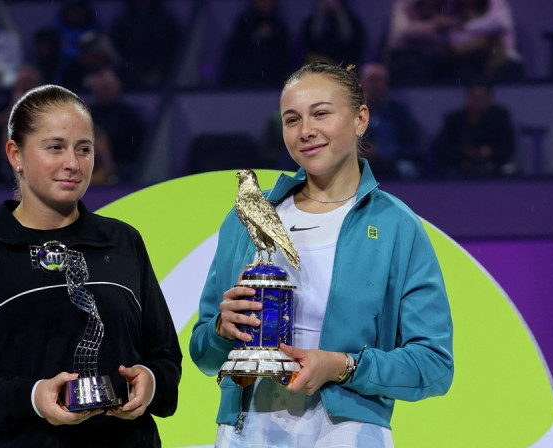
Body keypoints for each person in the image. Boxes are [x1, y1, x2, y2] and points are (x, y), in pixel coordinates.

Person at [190, 62, 454, 447]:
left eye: (321, 114)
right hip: (246, 432)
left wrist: (343, 367)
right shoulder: (247, 218)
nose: (306, 131)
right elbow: (203, 354)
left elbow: (434, 366)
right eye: (291, 119)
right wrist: (219, 332)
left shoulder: (397, 226)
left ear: (360, 118)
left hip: (346, 433)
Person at [0, 84, 182, 446]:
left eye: (84, 149)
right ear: (15, 154)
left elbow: (164, 356)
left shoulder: (123, 242)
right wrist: (31, 398)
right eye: (55, 147)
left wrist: (151, 382)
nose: (73, 163)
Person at [431, 80, 516, 178]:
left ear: (489, 98)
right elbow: (444, 147)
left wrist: (490, 152)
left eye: (481, 97)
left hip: (493, 163)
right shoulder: (454, 119)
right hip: (462, 165)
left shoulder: (500, 117)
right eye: (474, 97)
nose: (478, 101)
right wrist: (466, 152)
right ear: (468, 97)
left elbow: (508, 146)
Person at [359, 61, 424, 180]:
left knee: (407, 168)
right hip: (356, 163)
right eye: (372, 79)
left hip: (393, 162)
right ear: (361, 83)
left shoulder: (399, 112)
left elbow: (412, 145)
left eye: (381, 80)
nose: (376, 85)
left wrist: (384, 155)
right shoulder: (348, 112)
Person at [85, 67, 147, 183]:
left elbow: (138, 149)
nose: (103, 90)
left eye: (107, 86)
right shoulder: (85, 114)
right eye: (100, 86)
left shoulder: (130, 116)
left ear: (118, 86)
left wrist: (115, 164)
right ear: (93, 88)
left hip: (122, 168)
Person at [444, 0, 524, 84]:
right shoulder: (453, 9)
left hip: (503, 61)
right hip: (470, 64)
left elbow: (501, 22)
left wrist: (467, 26)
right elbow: (453, 40)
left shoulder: (494, 4)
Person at [109, 0, 182, 90]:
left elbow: (175, 53)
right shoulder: (121, 24)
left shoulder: (167, 23)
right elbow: (115, 55)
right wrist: (134, 74)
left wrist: (160, 71)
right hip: (128, 84)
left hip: (164, 83)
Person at [220, 0, 293, 89]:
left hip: (274, 86)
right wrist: (254, 39)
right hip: (244, 85)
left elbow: (285, 60)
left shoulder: (279, 28)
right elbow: (235, 57)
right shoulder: (243, 25)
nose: (265, 3)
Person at [383, 0, 455, 85]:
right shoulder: (404, 5)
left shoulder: (442, 9)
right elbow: (403, 31)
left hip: (431, 62)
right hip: (402, 60)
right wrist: (435, 25)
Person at [300, 0, 367, 67]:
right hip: (317, 65)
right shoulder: (311, 22)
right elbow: (311, 38)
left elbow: (349, 39)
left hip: (343, 64)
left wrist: (339, 11)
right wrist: (321, 12)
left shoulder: (352, 22)